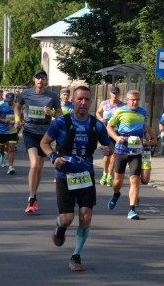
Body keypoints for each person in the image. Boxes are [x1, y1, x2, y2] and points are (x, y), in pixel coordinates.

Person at [41, 86, 113, 272]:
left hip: (86, 175)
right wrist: (53, 158)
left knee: (86, 216)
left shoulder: (97, 125)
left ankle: (76, 255)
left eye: (87, 100)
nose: (83, 103)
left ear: (91, 102)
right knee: (67, 218)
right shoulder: (60, 123)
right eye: (80, 99)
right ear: (72, 101)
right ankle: (60, 227)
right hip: (65, 175)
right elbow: (44, 143)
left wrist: (108, 149)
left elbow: (109, 146)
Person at [15, 69, 62, 214]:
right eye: (38, 77)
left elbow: (60, 114)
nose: (40, 80)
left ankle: (33, 195)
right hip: (29, 130)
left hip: (45, 134)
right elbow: (17, 107)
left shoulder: (52, 96)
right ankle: (31, 198)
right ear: (33, 79)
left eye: (43, 77)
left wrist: (51, 113)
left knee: (40, 167)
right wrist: (18, 120)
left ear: (46, 80)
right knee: (34, 163)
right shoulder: (26, 93)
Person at [106, 90, 155, 220]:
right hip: (121, 149)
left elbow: (143, 125)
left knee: (135, 179)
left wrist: (147, 134)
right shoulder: (119, 111)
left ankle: (132, 210)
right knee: (118, 181)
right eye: (132, 100)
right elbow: (109, 127)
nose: (135, 102)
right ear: (127, 100)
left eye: (137, 100)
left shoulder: (142, 112)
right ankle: (116, 194)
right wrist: (116, 138)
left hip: (137, 150)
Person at [96, 86, 123, 186]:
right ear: (110, 94)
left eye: (117, 93)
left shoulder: (122, 105)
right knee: (106, 155)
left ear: (119, 94)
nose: (115, 95)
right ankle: (104, 173)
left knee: (114, 155)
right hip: (105, 133)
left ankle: (109, 176)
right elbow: (98, 112)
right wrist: (100, 119)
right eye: (113, 93)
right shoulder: (104, 103)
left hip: (116, 133)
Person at [0, 92, 18, 174]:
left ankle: (11, 167)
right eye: (8, 101)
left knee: (11, 148)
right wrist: (3, 120)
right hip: (2, 130)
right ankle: (1, 154)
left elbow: (20, 115)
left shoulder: (17, 106)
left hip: (12, 130)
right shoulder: (2, 106)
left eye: (11, 101)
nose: (9, 102)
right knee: (1, 148)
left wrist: (20, 121)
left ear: (13, 100)